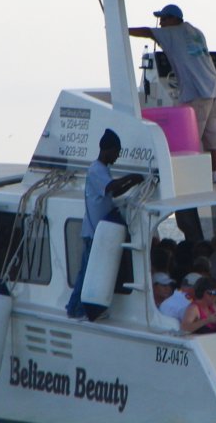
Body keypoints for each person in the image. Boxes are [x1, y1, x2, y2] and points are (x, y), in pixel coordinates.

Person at [129, 5, 216, 183]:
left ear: (173, 19)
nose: (161, 23)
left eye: (163, 19)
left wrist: (122, 30)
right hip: (215, 87)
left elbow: (147, 32)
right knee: (213, 133)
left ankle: (193, 177)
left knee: (192, 133)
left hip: (198, 91)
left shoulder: (172, 32)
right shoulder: (196, 31)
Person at [65, 128, 144, 318]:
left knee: (86, 272)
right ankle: (76, 308)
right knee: (86, 273)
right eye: (116, 151)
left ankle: (76, 307)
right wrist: (132, 177)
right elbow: (111, 186)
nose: (117, 156)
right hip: (94, 232)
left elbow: (113, 193)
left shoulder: (103, 170)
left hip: (97, 232)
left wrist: (132, 184)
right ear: (107, 150)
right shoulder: (96, 170)